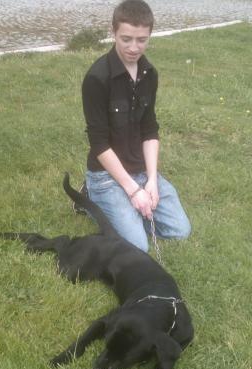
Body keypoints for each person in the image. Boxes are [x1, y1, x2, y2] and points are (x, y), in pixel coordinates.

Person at [80, 0, 191, 252]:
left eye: (141, 40)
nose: (133, 47)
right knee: (139, 246)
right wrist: (132, 191)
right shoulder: (96, 79)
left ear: (150, 35)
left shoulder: (149, 73)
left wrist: (151, 180)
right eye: (126, 39)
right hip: (105, 176)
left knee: (179, 231)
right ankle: (90, 198)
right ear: (114, 33)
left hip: (140, 170)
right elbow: (98, 143)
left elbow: (150, 129)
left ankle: (130, 205)